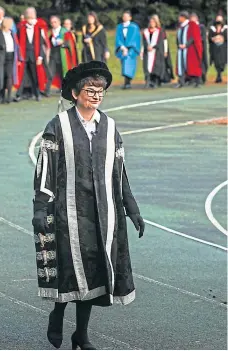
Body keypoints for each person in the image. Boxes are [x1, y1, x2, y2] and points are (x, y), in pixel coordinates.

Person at [33, 61, 145, 350]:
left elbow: (119, 170)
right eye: (89, 90)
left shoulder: (109, 127)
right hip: (68, 213)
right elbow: (45, 169)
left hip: (104, 215)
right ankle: (57, 314)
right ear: (75, 93)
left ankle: (80, 335)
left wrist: (131, 208)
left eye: (100, 91)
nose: (95, 95)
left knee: (96, 275)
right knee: (69, 271)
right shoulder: (58, 126)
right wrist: (40, 208)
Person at [14, 7, 48, 102]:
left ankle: (37, 94)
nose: (30, 18)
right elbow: (17, 43)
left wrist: (40, 57)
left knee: (35, 75)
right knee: (21, 75)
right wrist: (18, 57)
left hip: (35, 56)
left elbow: (41, 44)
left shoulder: (39, 28)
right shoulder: (21, 28)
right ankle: (18, 94)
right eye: (28, 16)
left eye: (32, 16)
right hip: (23, 56)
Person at [45, 15, 78, 95]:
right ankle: (47, 91)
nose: (53, 24)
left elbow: (71, 44)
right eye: (52, 22)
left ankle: (65, 89)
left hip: (63, 56)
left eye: (55, 22)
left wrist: (63, 42)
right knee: (51, 72)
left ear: (59, 22)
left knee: (63, 73)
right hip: (53, 56)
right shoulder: (50, 33)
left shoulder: (65, 32)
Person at [141, 15, 173, 88]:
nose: (152, 23)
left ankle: (156, 81)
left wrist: (164, 51)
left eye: (153, 22)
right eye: (151, 22)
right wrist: (146, 47)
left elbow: (163, 42)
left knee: (156, 67)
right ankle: (148, 81)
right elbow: (144, 42)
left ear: (156, 23)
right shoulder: (146, 32)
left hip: (157, 52)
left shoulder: (159, 31)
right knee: (147, 67)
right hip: (148, 52)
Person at [175, 11, 203, 88]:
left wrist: (186, 45)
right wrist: (179, 45)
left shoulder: (192, 24)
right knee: (181, 65)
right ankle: (181, 82)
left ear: (183, 17)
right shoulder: (180, 27)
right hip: (181, 49)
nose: (178, 19)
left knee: (193, 66)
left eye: (180, 17)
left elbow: (194, 36)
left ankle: (198, 82)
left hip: (190, 49)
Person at [115, 11, 141, 89]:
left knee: (129, 65)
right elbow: (118, 38)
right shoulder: (119, 27)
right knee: (124, 65)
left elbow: (135, 38)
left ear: (130, 17)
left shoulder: (134, 27)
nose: (125, 18)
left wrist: (128, 48)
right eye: (124, 16)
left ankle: (128, 82)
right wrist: (122, 47)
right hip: (122, 49)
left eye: (126, 16)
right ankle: (126, 82)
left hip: (131, 49)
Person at [0, 17, 21, 104]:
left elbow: (16, 46)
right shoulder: (0, 33)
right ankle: (2, 96)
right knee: (2, 76)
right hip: (2, 56)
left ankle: (8, 96)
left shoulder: (12, 33)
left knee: (9, 76)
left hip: (11, 56)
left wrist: (19, 58)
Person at [190, 13, 208, 84]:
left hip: (200, 47)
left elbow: (203, 38)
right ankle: (194, 78)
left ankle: (202, 77)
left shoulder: (201, 27)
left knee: (202, 62)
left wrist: (196, 40)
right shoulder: (190, 27)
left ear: (196, 19)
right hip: (193, 49)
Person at [209, 14, 227, 83]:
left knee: (222, 62)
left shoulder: (225, 28)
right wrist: (214, 38)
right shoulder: (212, 28)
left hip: (223, 48)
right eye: (217, 20)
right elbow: (210, 38)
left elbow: (225, 37)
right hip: (215, 48)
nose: (219, 22)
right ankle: (218, 75)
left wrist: (221, 38)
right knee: (216, 62)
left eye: (220, 20)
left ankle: (220, 74)